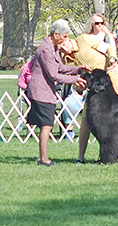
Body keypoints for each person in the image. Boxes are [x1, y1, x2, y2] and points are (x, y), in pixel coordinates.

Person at [61, 13, 118, 163]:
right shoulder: (67, 59)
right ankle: (81, 157)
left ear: (67, 38)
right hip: (95, 86)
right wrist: (78, 85)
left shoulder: (84, 39)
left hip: (113, 76)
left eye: (64, 43)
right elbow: (75, 80)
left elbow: (108, 48)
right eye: (60, 47)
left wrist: (112, 58)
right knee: (86, 119)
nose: (63, 47)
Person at [27, 18, 91, 166]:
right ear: (56, 34)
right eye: (64, 36)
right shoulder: (46, 49)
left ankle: (43, 158)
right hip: (40, 90)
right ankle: (43, 159)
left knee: (47, 124)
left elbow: (60, 67)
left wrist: (78, 69)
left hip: (47, 90)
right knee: (46, 125)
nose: (66, 40)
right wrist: (75, 80)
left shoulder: (53, 47)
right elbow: (53, 75)